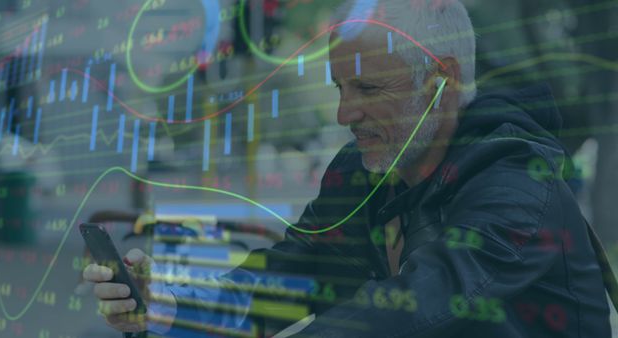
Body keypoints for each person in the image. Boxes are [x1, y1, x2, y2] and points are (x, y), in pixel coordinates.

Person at [83, 0, 612, 336]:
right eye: (340, 88)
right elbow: (289, 279)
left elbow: (412, 307)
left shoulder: (518, 188)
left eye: (368, 88)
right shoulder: (365, 172)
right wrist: (168, 308)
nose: (343, 114)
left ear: (441, 81)